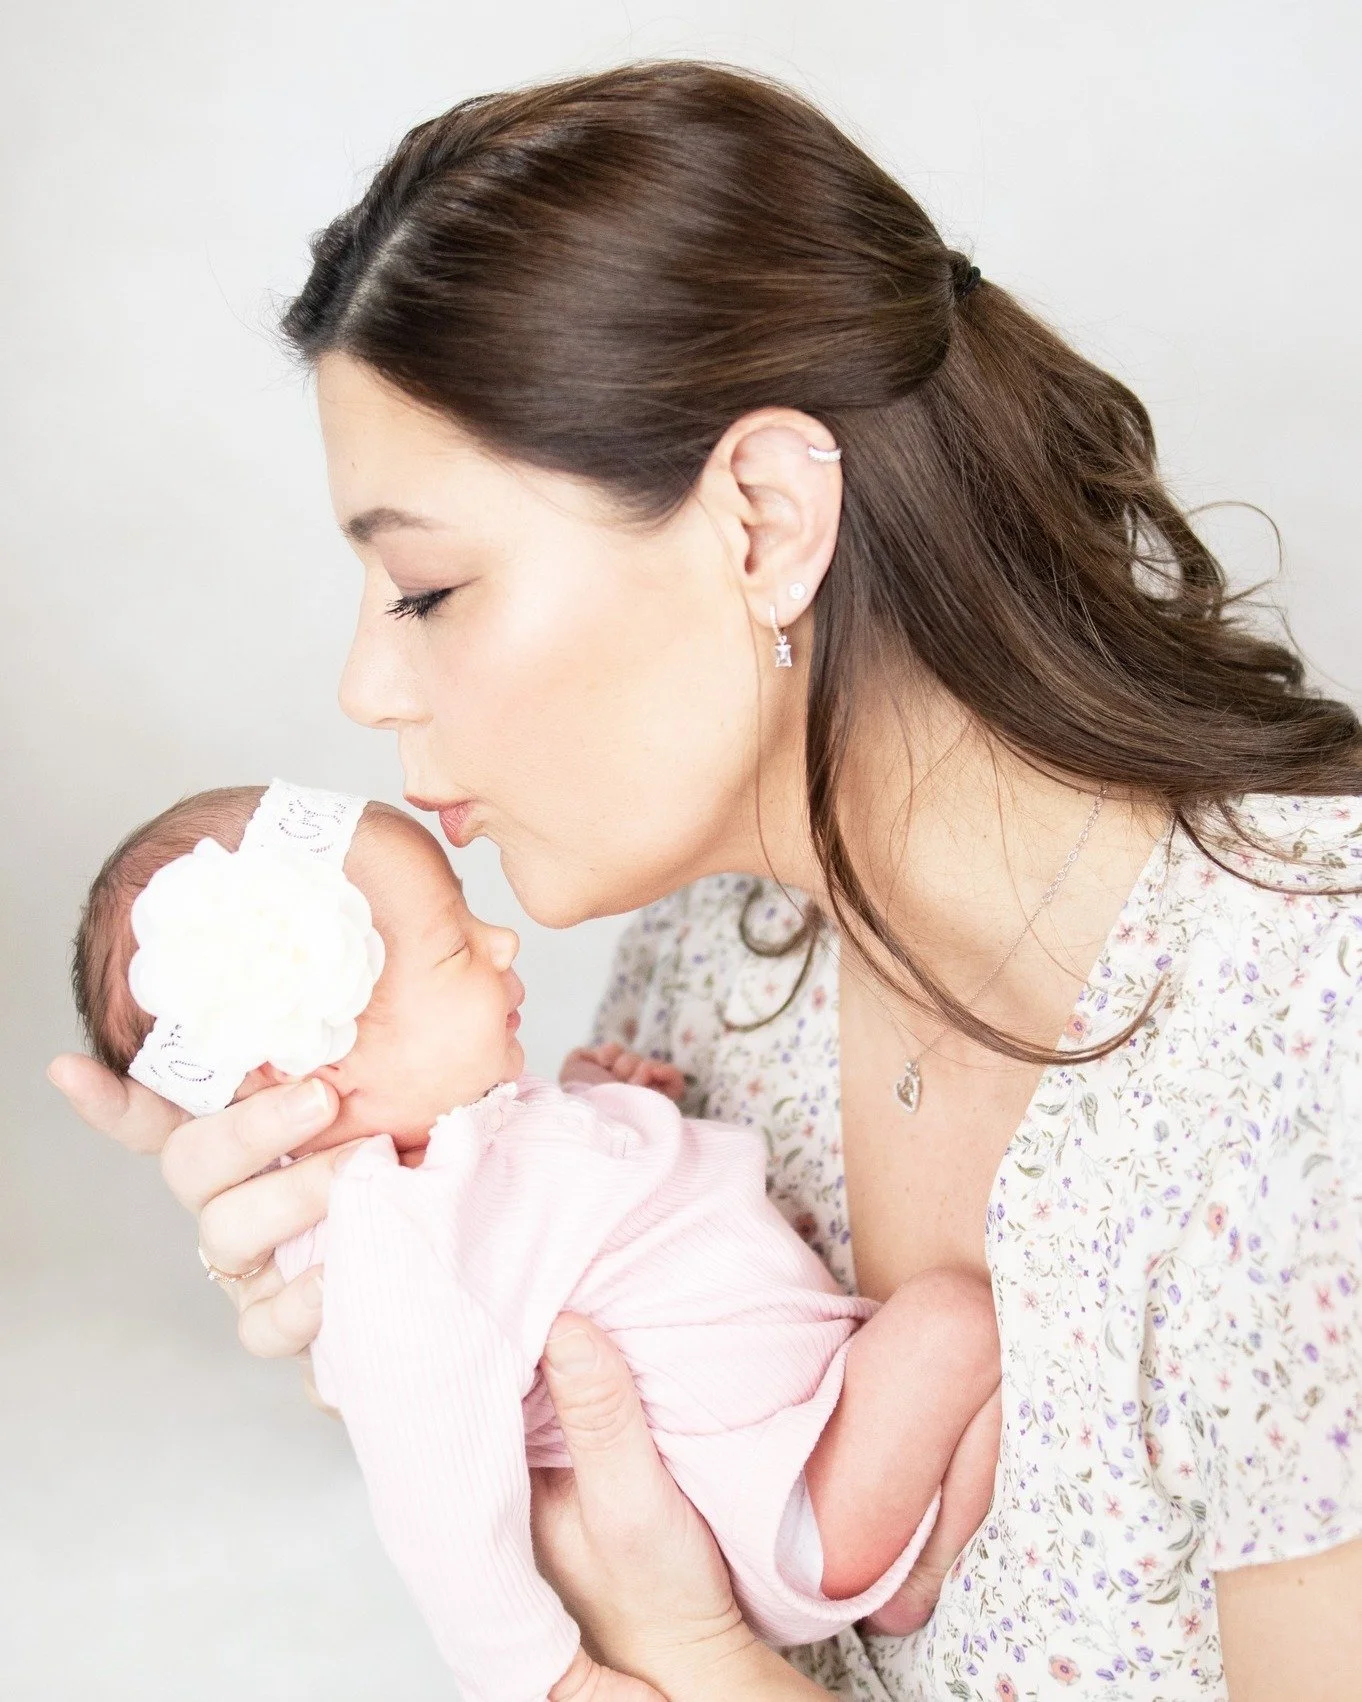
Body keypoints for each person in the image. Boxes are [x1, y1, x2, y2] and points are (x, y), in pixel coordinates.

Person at [48, 58, 1361, 1702]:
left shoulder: (1316, 1058)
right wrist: (397, 1294)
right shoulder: (719, 964)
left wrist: (693, 1662)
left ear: (760, 518)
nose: (364, 692)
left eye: (426, 586)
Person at [68, 777, 1001, 1700]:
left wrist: (603, 1094)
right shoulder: (397, 1239)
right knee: (958, 1323)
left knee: (943, 1335)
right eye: (453, 946)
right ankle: (904, 1573)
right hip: (773, 1499)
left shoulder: (456, 1153)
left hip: (789, 1452)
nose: (500, 939)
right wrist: (545, 1675)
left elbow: (556, 1218)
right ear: (312, 1065)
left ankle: (900, 1569)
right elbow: (437, 1501)